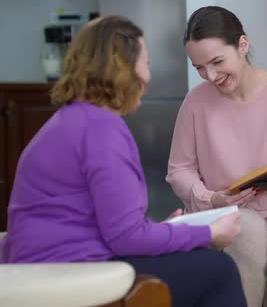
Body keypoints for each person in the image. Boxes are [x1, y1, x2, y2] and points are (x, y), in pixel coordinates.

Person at [0, 16, 246, 307]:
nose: (148, 76)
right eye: (146, 63)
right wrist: (209, 232)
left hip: (50, 259)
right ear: (124, 69)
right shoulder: (101, 129)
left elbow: (112, 224)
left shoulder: (71, 119)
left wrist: (163, 231)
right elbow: (127, 238)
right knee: (218, 269)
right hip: (69, 268)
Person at [166, 6, 267, 307]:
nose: (210, 76)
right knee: (247, 233)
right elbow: (179, 170)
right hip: (226, 214)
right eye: (199, 67)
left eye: (217, 62)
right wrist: (211, 198)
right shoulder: (195, 102)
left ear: (243, 45)